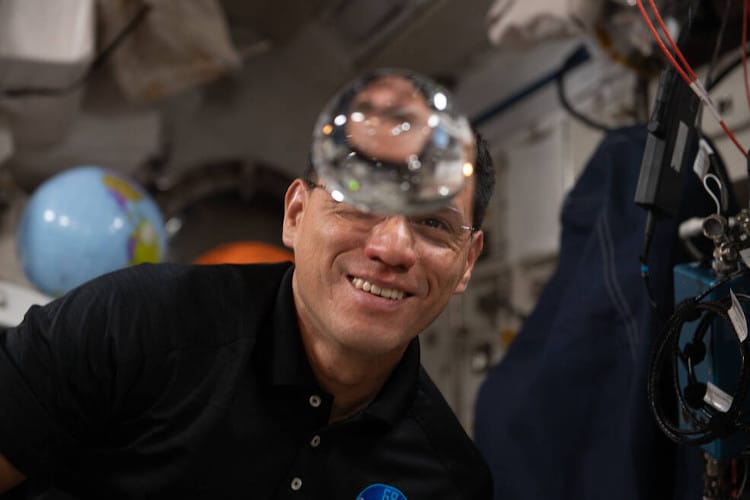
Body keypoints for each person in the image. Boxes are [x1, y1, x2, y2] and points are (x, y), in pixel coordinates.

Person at [0, 130, 496, 499]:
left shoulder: (448, 480)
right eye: (361, 203)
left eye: (433, 222)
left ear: (466, 261)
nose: (392, 247)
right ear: (296, 216)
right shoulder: (134, 325)